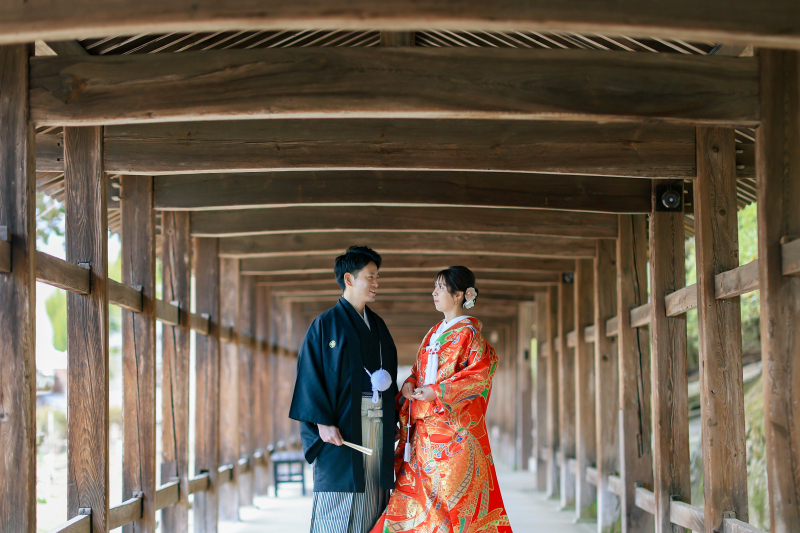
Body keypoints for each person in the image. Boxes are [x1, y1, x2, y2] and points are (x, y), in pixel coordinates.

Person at [371, 266, 513, 533]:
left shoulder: (470, 334)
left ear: (459, 294)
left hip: (453, 437)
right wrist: (411, 382)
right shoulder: (434, 332)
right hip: (423, 437)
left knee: (453, 506)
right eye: (434, 287)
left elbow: (480, 375)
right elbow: (418, 370)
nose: (434, 292)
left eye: (440, 287)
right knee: (413, 503)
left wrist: (437, 392)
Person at [289, 246, 399, 533]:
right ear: (349, 279)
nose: (376, 283)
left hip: (375, 431)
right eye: (370, 277)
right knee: (336, 512)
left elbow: (389, 378)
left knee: (372, 507)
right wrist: (321, 421)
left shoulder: (378, 326)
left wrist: (393, 419)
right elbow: (309, 377)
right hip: (340, 433)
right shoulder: (324, 325)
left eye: (377, 277)